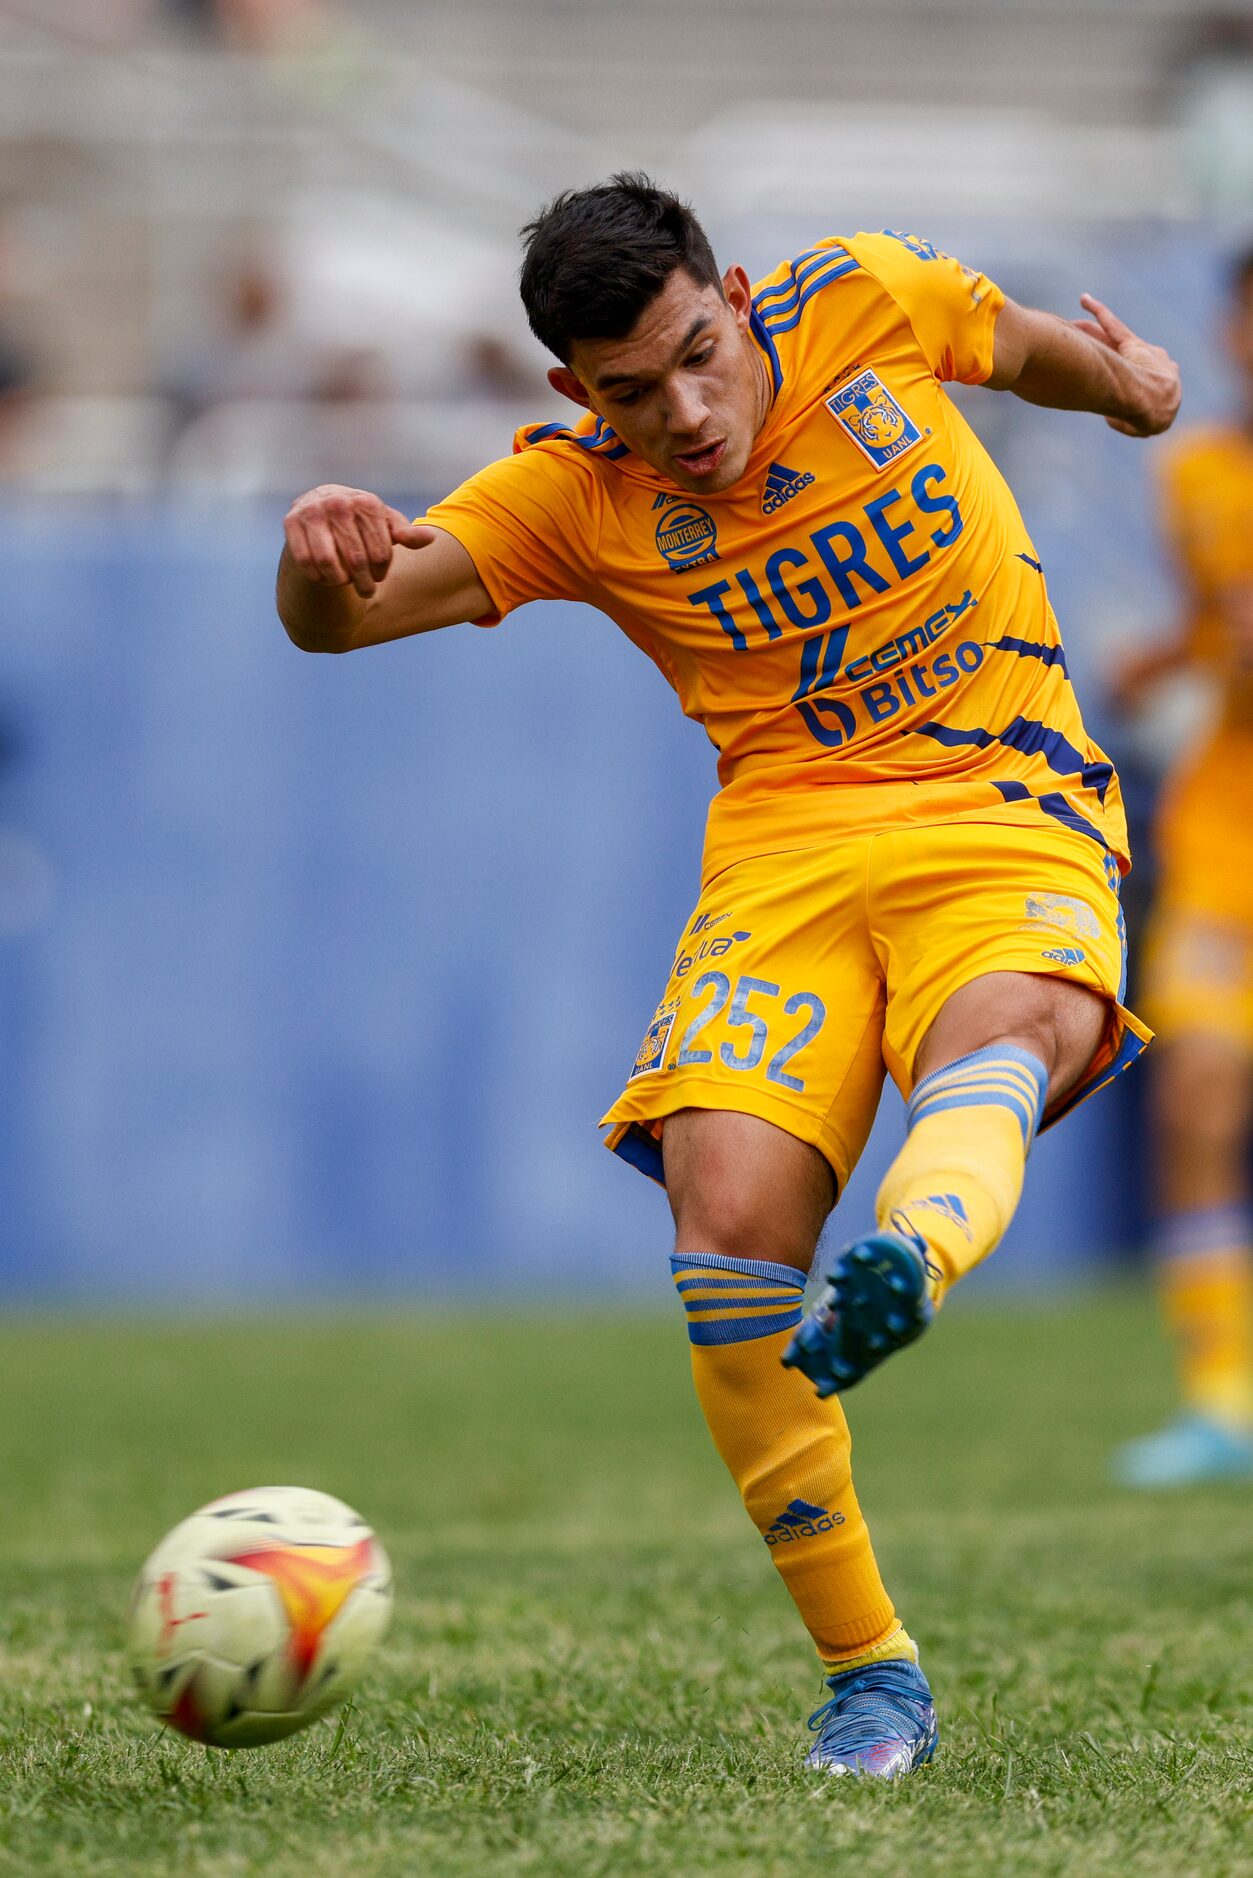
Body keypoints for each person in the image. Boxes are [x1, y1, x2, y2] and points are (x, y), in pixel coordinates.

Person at [276, 176, 1180, 1779]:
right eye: (633, 390)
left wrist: (1130, 390)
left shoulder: (865, 297)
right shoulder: (567, 494)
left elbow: (1027, 347)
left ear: (738, 293)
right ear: (575, 391)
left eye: (702, 351)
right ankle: (870, 1675)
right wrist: (313, 550)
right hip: (786, 852)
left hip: (1003, 791)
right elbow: (337, 630)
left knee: (1010, 1033)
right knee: (727, 1224)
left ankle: (910, 1248)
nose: (685, 410)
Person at [1110, 247, 1253, 1489]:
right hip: (1223, 834)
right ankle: (1218, 1400)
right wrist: (1165, 662)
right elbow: (1219, 634)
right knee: (1195, 1093)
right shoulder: (1194, 477)